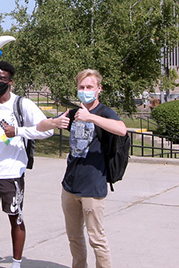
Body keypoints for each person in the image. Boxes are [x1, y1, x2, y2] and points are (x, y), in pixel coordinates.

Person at [0, 61, 69, 268]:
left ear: (10, 82)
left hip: (11, 174)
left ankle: (16, 264)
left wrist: (18, 131)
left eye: (2, 79)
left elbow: (47, 130)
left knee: (15, 218)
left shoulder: (21, 105)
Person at [43, 69, 126, 268]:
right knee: (74, 236)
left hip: (93, 186)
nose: (85, 90)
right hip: (70, 185)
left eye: (89, 87)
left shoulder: (104, 112)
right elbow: (40, 126)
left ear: (99, 89)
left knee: (96, 238)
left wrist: (91, 118)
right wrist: (54, 122)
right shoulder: (73, 113)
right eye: (81, 87)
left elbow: (121, 129)